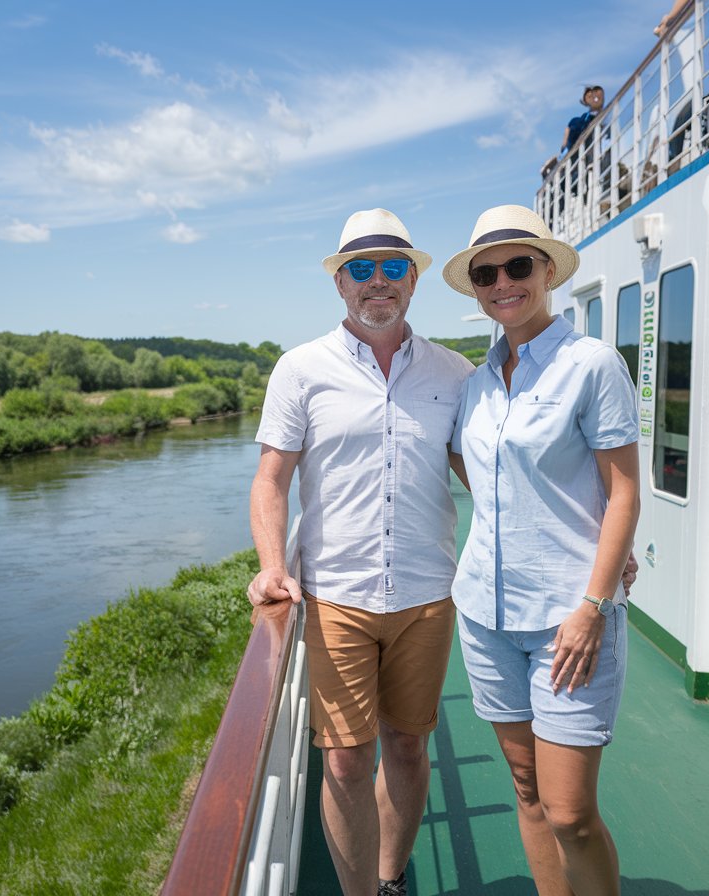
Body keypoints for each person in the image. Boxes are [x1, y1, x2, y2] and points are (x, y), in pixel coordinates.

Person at [247, 208, 475, 896]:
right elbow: (270, 479)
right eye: (362, 269)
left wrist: (589, 543)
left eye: (394, 267)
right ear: (340, 283)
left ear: (414, 279)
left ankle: (389, 877)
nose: (379, 282)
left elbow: (489, 480)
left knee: (408, 745)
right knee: (345, 762)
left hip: (428, 596)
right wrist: (272, 566)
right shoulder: (300, 370)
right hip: (337, 596)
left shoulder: (453, 372)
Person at [441, 205, 640, 895]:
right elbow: (472, 462)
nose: (503, 281)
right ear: (475, 287)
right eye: (486, 272)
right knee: (527, 792)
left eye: (518, 265)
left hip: (567, 619)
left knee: (571, 812)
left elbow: (624, 492)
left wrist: (595, 599)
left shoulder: (592, 365)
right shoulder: (474, 382)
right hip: (486, 616)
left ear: (547, 270)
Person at [541, 86, 605, 179]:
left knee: (566, 157)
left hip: (581, 145)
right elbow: (567, 137)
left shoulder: (591, 117)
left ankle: (554, 166)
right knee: (564, 157)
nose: (594, 99)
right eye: (590, 97)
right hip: (574, 143)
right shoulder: (579, 119)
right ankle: (550, 167)